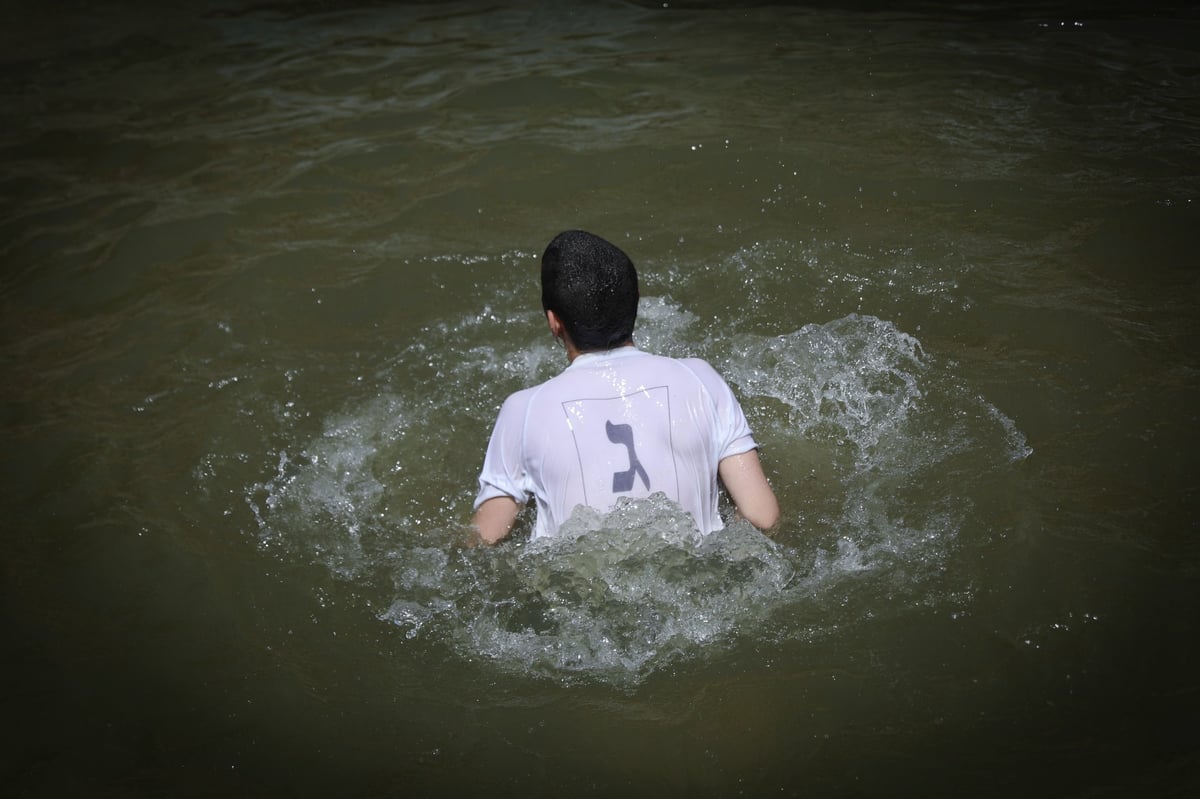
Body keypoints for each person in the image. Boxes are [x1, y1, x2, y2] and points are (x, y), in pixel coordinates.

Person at [472, 230, 779, 545]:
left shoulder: (523, 409)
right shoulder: (700, 378)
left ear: (554, 322)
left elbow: (488, 536)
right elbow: (762, 516)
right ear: (637, 300)